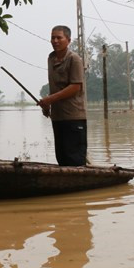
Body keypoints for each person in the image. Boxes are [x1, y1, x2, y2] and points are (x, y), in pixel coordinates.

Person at [37, 25, 87, 166]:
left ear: (68, 40)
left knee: (75, 161)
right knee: (62, 158)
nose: (55, 41)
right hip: (58, 117)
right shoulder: (51, 58)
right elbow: (55, 87)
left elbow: (75, 87)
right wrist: (47, 105)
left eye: (59, 38)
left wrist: (50, 99)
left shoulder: (74, 59)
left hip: (73, 117)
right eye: (53, 38)